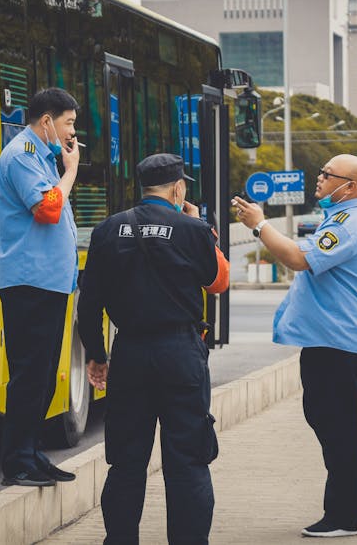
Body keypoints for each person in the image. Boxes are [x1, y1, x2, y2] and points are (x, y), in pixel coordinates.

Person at [232, 153, 357, 538]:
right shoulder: (341, 218)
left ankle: (342, 516)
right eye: (321, 172)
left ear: (349, 186)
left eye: (327, 175)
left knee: (336, 424)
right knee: (334, 420)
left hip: (340, 341)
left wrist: (260, 225)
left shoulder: (351, 223)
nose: (319, 179)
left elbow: (299, 258)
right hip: (334, 339)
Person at [78, 153, 230, 545]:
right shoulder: (191, 229)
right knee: (189, 461)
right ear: (178, 189)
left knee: (126, 463)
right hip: (180, 353)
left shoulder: (108, 230)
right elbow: (218, 282)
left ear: (143, 187)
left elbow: (89, 302)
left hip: (129, 353)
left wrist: (97, 354)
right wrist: (202, 228)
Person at [0, 87, 81, 487]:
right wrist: (71, 172)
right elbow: (46, 210)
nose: (71, 132)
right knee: (30, 373)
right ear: (47, 121)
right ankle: (16, 461)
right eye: (68, 123)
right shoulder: (23, 156)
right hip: (28, 281)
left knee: (44, 375)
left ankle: (32, 451)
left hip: (47, 282)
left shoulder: (42, 156)